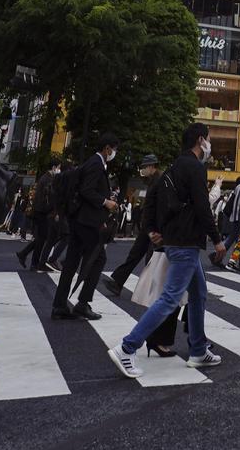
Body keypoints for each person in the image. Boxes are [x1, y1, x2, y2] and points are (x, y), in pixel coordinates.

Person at [107, 123, 223, 378]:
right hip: (186, 243)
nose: (209, 146)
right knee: (170, 298)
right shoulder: (194, 167)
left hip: (175, 241)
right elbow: (203, 207)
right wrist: (217, 239)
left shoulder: (172, 168)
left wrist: (150, 229)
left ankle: (198, 349)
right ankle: (127, 347)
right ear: (201, 140)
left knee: (198, 293)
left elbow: (152, 201)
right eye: (208, 141)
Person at [52, 135, 119, 321]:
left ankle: (59, 305)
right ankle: (82, 303)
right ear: (107, 148)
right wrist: (106, 202)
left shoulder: (91, 163)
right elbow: (87, 190)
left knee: (72, 262)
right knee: (98, 259)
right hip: (87, 222)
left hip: (78, 220)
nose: (114, 153)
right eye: (114, 149)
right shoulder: (96, 164)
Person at [102, 155, 160, 294]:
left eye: (143, 167)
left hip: (154, 226)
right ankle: (117, 281)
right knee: (135, 254)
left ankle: (153, 290)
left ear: (151, 166)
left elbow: (155, 206)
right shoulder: (153, 180)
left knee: (152, 258)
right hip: (149, 225)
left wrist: (153, 227)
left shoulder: (159, 181)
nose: (142, 170)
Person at [18, 159, 62, 272]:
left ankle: (26, 256)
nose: (59, 170)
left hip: (40, 211)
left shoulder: (45, 178)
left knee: (41, 238)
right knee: (42, 239)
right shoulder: (48, 179)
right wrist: (52, 209)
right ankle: (34, 262)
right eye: (58, 167)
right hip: (43, 212)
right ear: (53, 167)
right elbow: (48, 198)